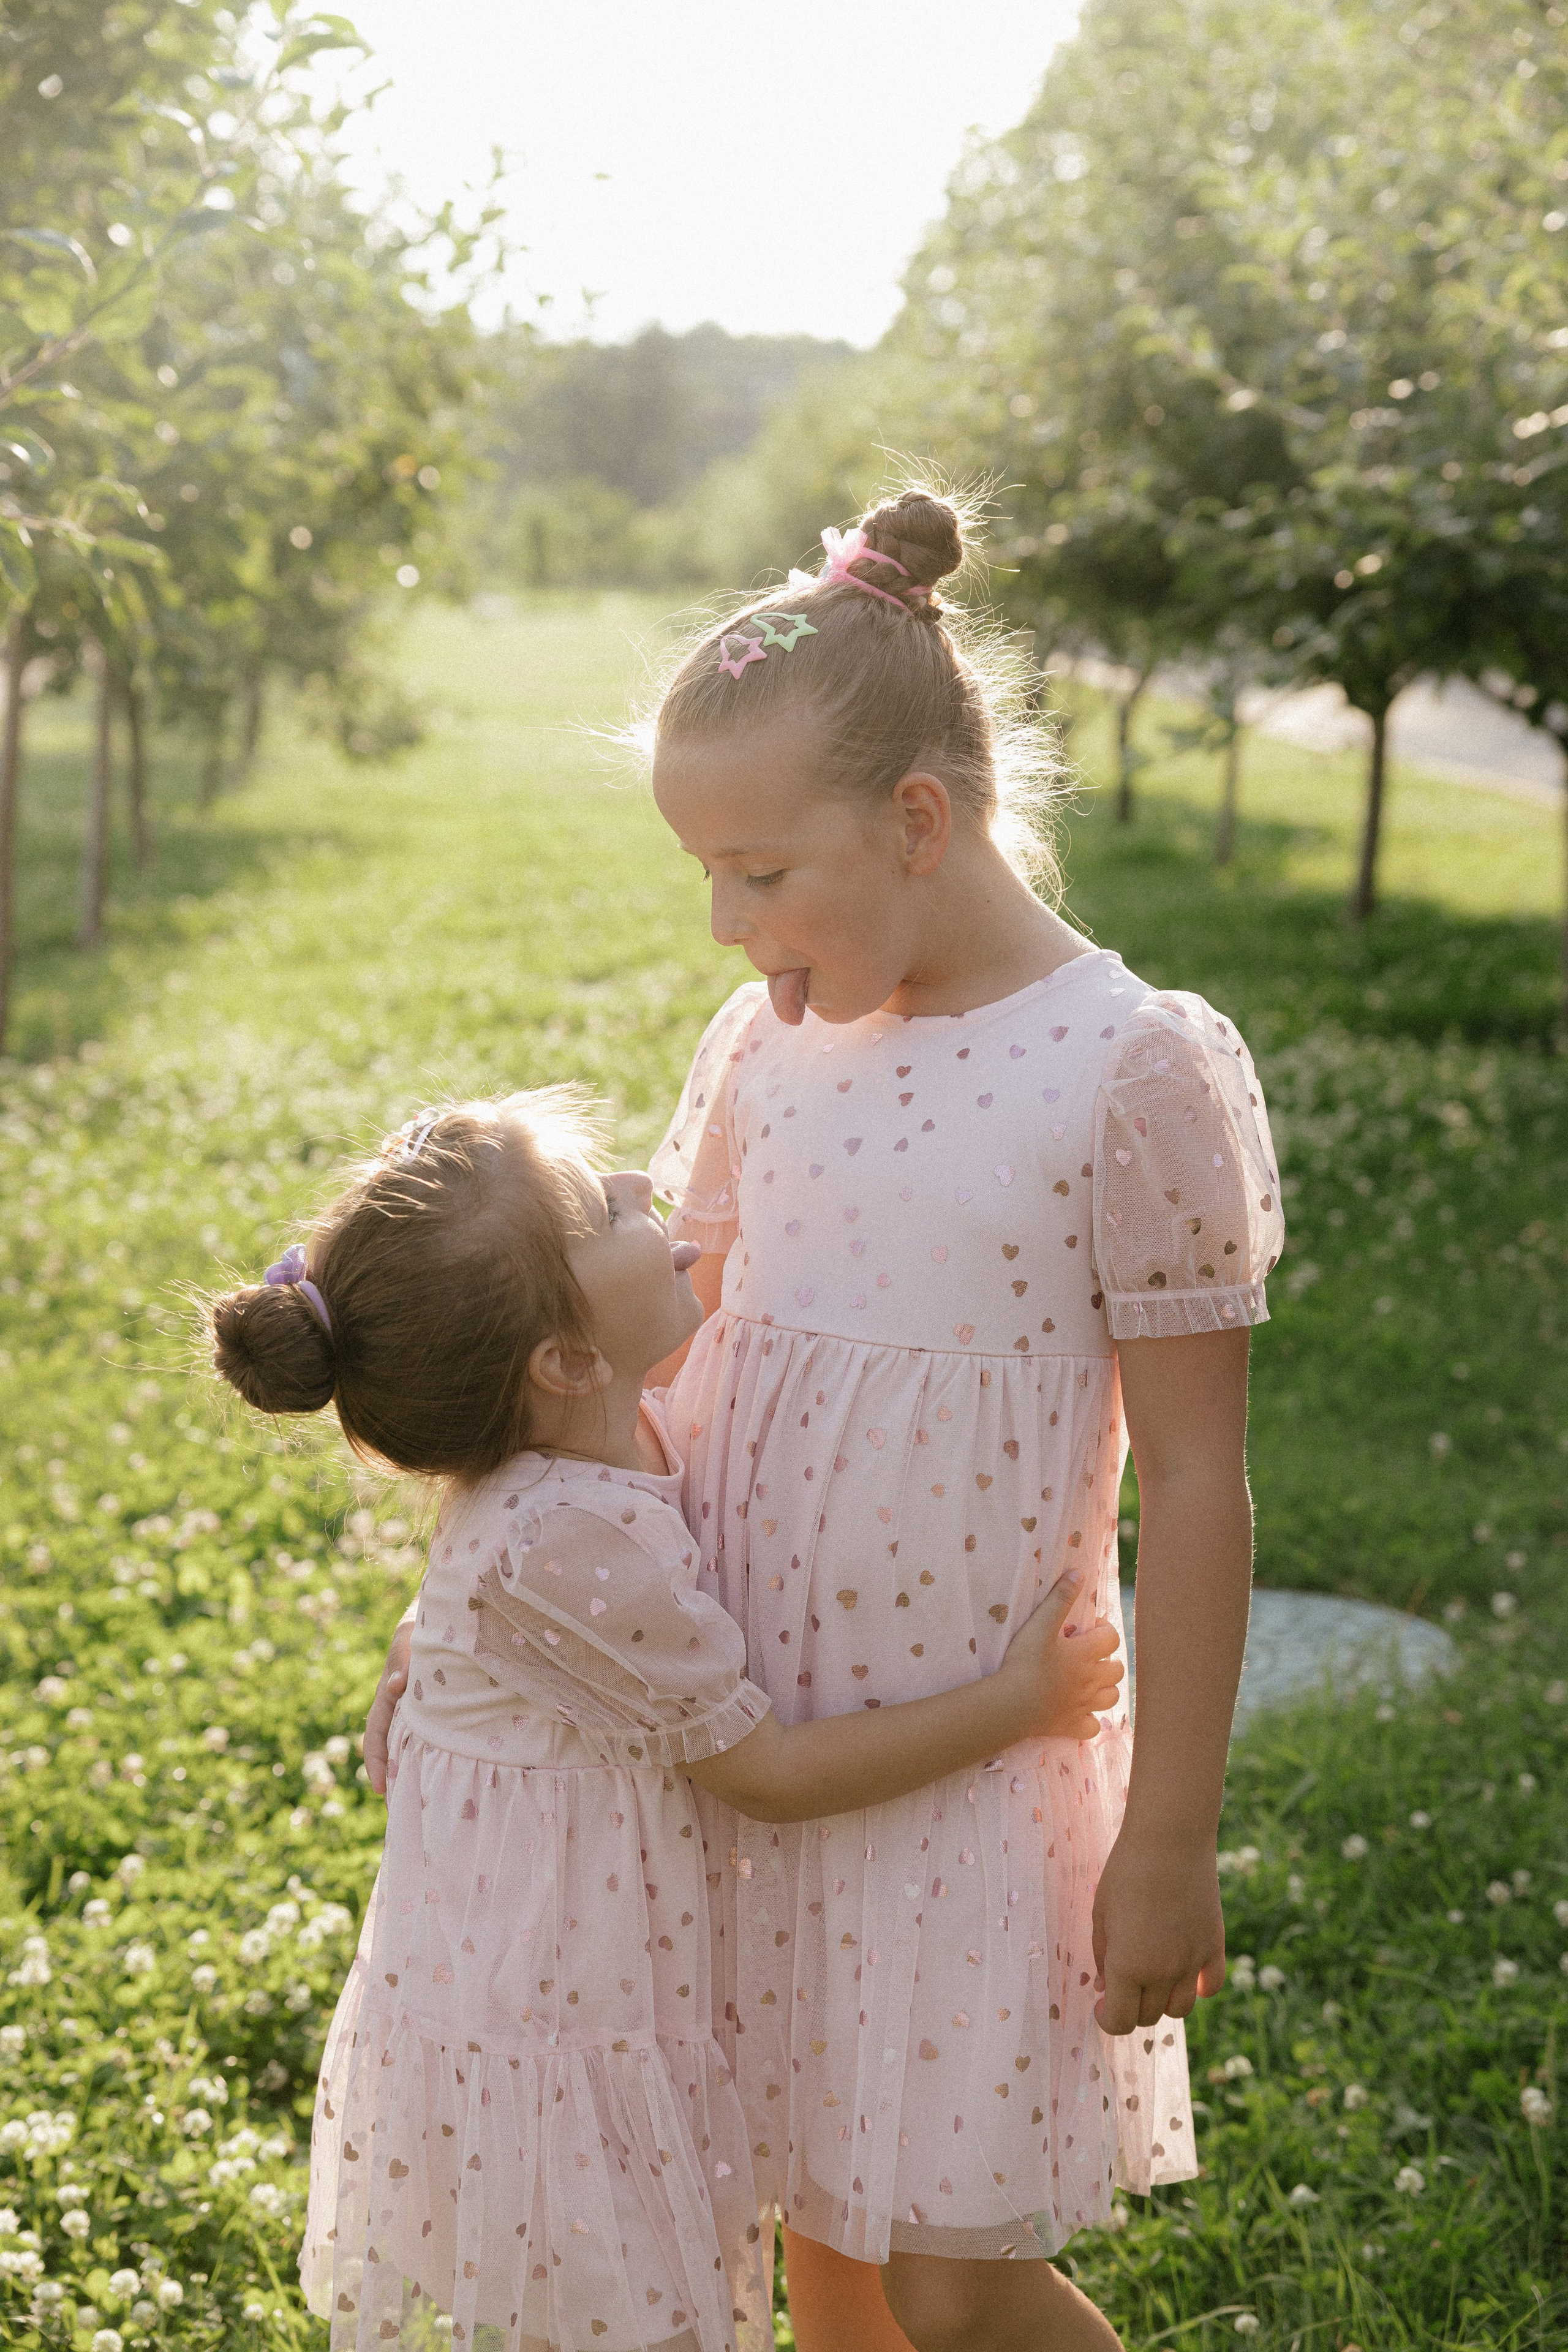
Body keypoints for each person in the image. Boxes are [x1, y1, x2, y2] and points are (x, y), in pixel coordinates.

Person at [211, 1088, 1123, 2352]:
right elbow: (769, 1771)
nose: (644, 1190)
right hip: (557, 2019)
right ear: (565, 1364)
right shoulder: (567, 1538)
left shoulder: (599, 1444)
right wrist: (1015, 1703)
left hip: (583, 1980)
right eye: (601, 1210)